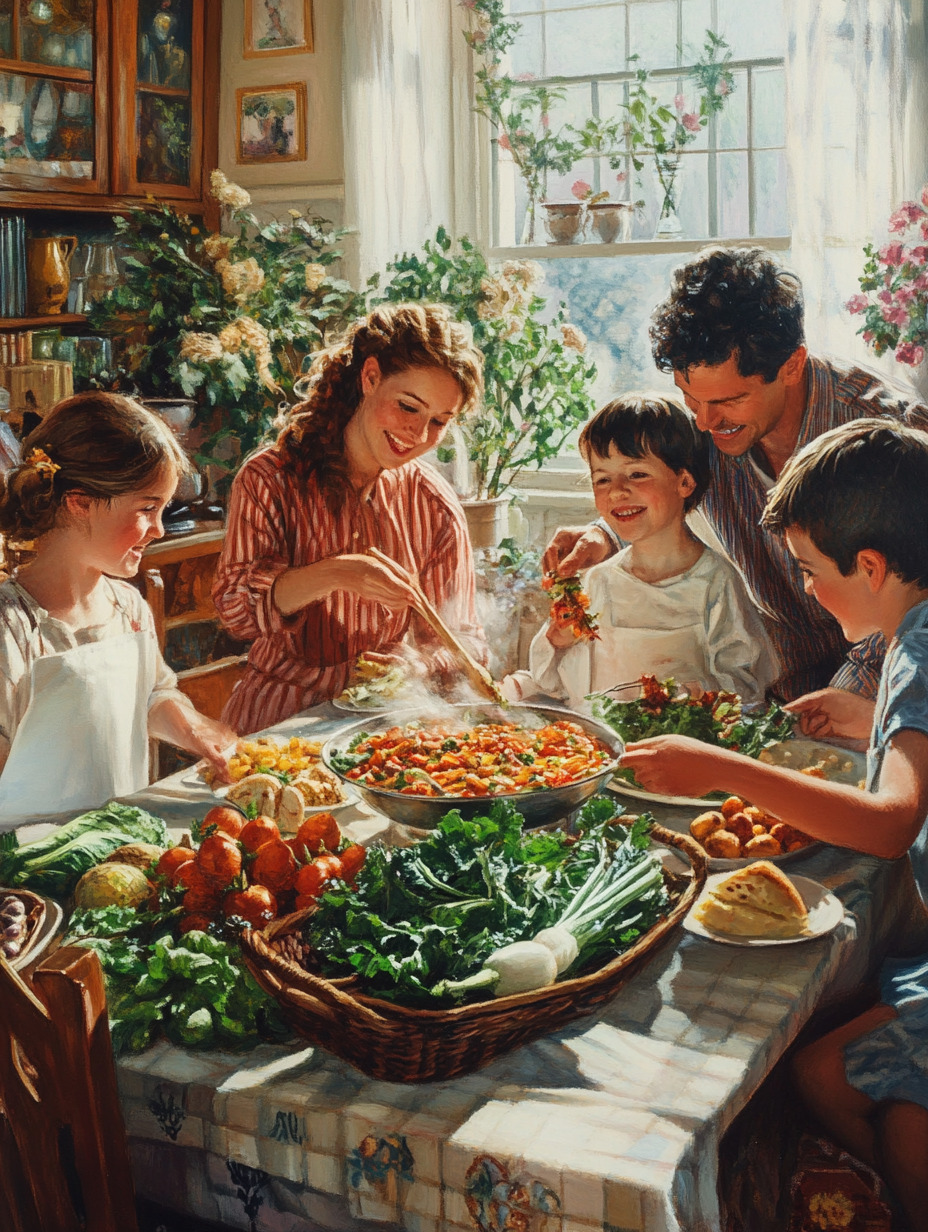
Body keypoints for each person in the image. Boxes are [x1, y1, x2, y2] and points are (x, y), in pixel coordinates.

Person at [619, 419, 928, 1228]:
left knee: (858, 1097)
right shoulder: (916, 629)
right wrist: (872, 724)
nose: (809, 591)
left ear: (870, 566)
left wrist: (720, 768)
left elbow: (893, 823)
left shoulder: (920, 650)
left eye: (810, 572)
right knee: (823, 1073)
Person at [543, 246, 928, 700]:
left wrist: (835, 710)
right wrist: (605, 533)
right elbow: (666, 480)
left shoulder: (897, 439)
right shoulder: (705, 432)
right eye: (690, 397)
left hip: (890, 698)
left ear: (791, 366)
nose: (704, 423)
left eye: (728, 401)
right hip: (778, 695)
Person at [213, 303, 488, 733]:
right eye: (408, 407)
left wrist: (419, 663)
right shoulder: (270, 478)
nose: (418, 435)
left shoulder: (433, 503)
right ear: (370, 377)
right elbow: (236, 614)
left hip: (386, 729)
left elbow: (465, 642)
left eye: (439, 422)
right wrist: (336, 573)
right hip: (277, 724)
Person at [0, 392, 235, 828]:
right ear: (80, 502)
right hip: (31, 867)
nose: (160, 529)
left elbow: (150, 694)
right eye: (147, 509)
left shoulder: (127, 605)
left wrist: (192, 729)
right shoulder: (11, 629)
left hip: (122, 841)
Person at [503, 395, 776, 711]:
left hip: (679, 748)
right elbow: (559, 685)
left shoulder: (716, 582)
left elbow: (745, 689)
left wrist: (689, 699)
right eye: (602, 479)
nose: (617, 491)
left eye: (637, 474)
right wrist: (558, 642)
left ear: (684, 481)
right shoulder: (597, 582)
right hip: (602, 748)